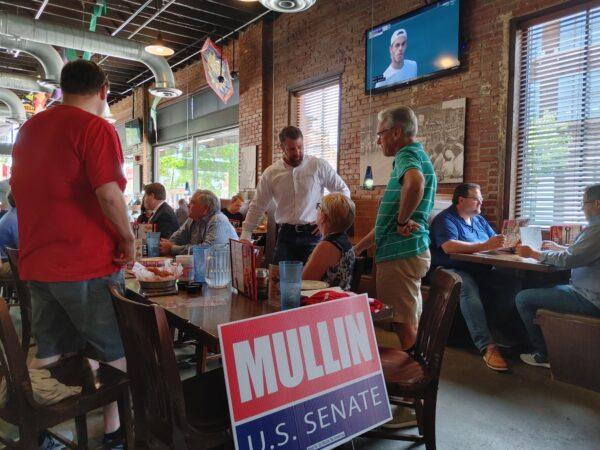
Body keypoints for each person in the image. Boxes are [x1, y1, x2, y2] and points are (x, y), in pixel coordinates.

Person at [10, 59, 133, 448]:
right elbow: (108, 193)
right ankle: (115, 433)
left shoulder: (29, 128)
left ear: (62, 88)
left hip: (38, 265)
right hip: (86, 264)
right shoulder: (96, 128)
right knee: (114, 350)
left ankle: (36, 428)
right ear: (104, 90)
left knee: (48, 352)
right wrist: (128, 240)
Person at [354, 105, 436, 429]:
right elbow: (388, 221)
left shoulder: (406, 156)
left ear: (396, 133)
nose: (378, 141)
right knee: (405, 321)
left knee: (404, 326)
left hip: (401, 256)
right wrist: (359, 247)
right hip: (402, 253)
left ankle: (408, 402)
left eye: (381, 134)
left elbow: (414, 184)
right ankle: (407, 397)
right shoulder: (413, 155)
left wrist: (403, 220)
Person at [430, 183, 521, 372]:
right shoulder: (445, 219)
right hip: (450, 269)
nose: (481, 202)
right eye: (476, 198)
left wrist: (511, 245)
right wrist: (485, 245)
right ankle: (487, 346)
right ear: (461, 200)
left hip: (479, 269)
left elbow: (493, 242)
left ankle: (492, 329)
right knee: (467, 287)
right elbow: (449, 246)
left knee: (511, 284)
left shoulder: (478, 220)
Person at [515, 184, 600, 368]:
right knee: (549, 288)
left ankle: (542, 354)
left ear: (597, 204)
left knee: (523, 298)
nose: (583, 209)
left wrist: (534, 254)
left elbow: (569, 260)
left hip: (590, 298)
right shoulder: (595, 228)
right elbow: (581, 254)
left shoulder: (597, 229)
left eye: (584, 204)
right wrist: (559, 248)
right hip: (586, 291)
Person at [241, 126, 350, 263]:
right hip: (286, 235)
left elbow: (343, 190)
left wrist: (330, 218)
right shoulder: (270, 173)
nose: (298, 152)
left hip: (314, 234)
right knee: (278, 280)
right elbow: (257, 205)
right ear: (282, 147)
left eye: (300, 147)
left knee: (313, 282)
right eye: (292, 149)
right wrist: (246, 234)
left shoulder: (318, 166)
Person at [159, 189, 238, 256]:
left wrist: (172, 248)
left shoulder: (218, 220)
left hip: (221, 271)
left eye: (192, 202)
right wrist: (165, 245)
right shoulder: (192, 218)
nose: (188, 205)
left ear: (205, 209)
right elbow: (177, 239)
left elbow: (207, 250)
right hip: (203, 268)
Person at [303, 193, 356, 290]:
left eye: (318, 207)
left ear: (324, 217)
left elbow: (305, 283)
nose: (316, 210)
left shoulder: (327, 246)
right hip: (339, 299)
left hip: (324, 301)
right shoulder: (343, 239)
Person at [0, 191, 18, 275]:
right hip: (7, 263)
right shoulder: (14, 219)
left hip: (7, 260)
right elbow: (20, 247)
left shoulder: (10, 215)